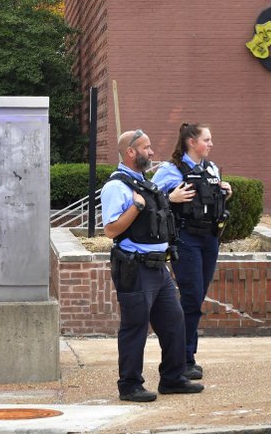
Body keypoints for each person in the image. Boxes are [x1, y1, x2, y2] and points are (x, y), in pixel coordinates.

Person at [101, 129, 205, 402]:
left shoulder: (144, 183)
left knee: (174, 322)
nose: (151, 152)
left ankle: (172, 378)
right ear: (131, 152)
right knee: (135, 327)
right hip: (135, 268)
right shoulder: (117, 187)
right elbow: (111, 230)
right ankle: (130, 385)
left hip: (159, 268)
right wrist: (135, 207)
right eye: (146, 148)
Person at [152, 123, 232, 381]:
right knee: (190, 299)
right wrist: (170, 198)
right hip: (187, 240)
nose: (211, 144)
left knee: (196, 300)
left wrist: (224, 193)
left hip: (209, 239)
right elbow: (149, 199)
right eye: (207, 139)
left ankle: (187, 357)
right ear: (191, 142)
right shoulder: (171, 170)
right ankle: (182, 359)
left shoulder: (211, 169)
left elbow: (208, 201)